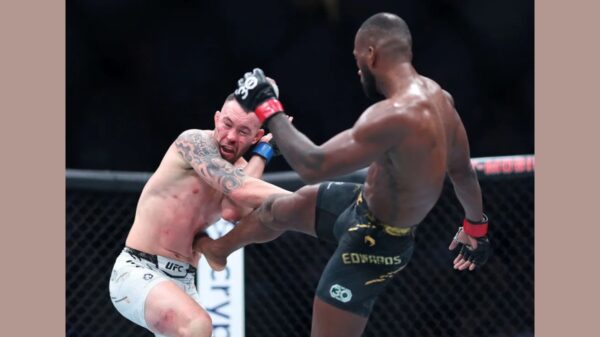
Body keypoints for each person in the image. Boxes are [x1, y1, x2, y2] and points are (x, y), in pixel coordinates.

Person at [197, 12, 492, 337]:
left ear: (371, 54)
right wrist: (475, 226)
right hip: (362, 205)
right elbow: (462, 170)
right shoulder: (441, 99)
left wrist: (268, 107)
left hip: (377, 244)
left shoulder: (393, 116)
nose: (357, 68)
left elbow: (313, 165)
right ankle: (217, 250)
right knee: (278, 210)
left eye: (356, 58)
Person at [108, 93, 291, 337]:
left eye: (243, 131)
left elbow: (233, 210)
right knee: (197, 325)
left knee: (270, 216)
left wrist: (262, 154)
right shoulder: (193, 143)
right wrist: (313, 199)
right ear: (216, 118)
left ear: (257, 137)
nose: (230, 136)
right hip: (138, 269)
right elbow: (239, 189)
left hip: (184, 281)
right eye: (227, 124)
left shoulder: (241, 171)